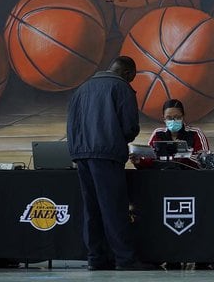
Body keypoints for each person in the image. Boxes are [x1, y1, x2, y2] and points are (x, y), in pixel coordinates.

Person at [67, 55, 147, 271]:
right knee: (114, 209)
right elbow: (129, 128)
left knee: (91, 210)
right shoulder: (122, 88)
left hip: (81, 155)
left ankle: (96, 258)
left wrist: (77, 151)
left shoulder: (82, 89)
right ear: (128, 73)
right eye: (132, 77)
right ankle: (125, 260)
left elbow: (72, 124)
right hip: (107, 154)